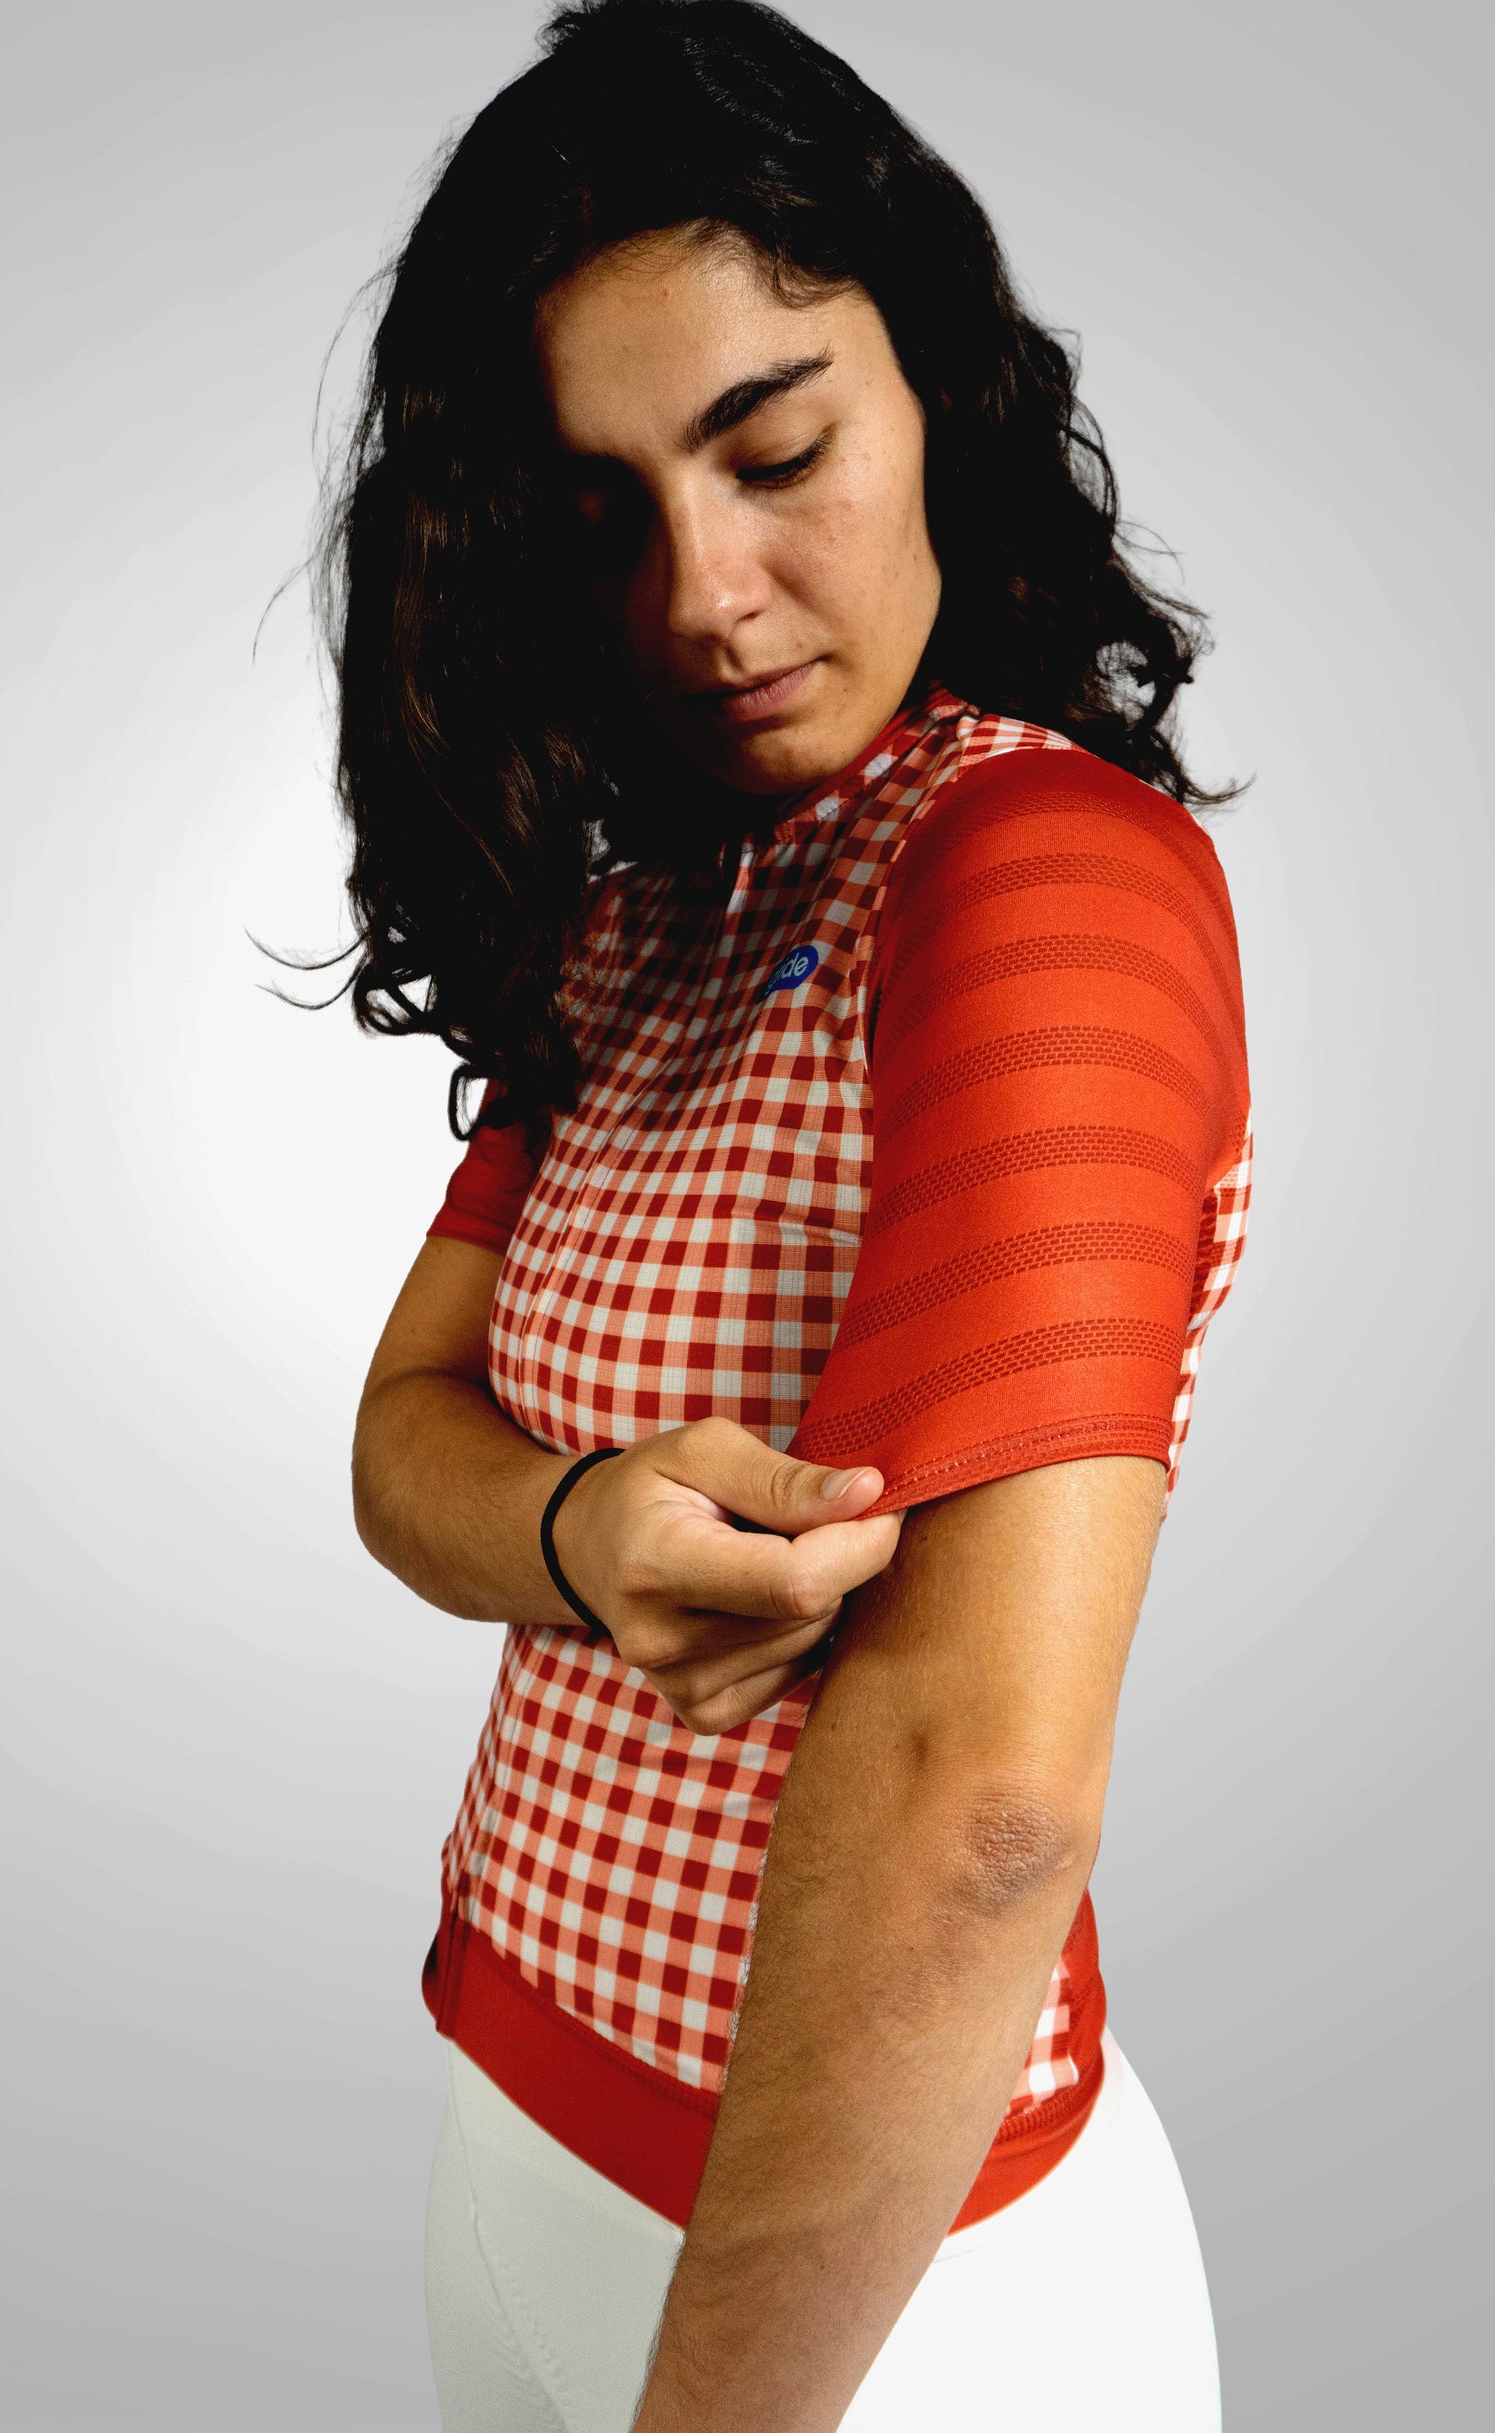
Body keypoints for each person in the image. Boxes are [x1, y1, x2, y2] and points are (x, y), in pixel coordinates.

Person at [328, 4, 1251, 2425]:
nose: (710, 593)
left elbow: (983, 1800)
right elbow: (402, 1437)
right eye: (602, 513)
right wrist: (582, 1526)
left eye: (776, 450)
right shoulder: (652, 916)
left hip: (878, 2305)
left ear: (933, 378)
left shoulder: (1037, 880)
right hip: (522, 2121)